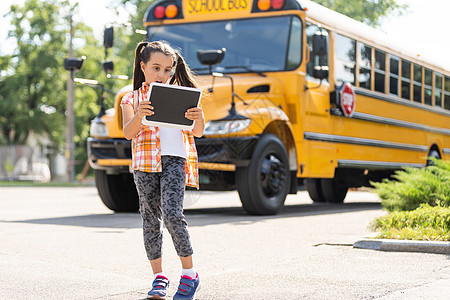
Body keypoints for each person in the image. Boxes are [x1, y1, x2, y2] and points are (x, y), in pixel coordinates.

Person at [121, 40, 204, 300]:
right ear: (143, 66)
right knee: (150, 219)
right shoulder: (130, 98)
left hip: (174, 160)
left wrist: (199, 118)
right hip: (144, 164)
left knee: (172, 214)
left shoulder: (182, 95)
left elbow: (198, 132)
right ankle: (159, 278)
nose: (162, 74)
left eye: (168, 69)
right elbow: (127, 133)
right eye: (156, 68)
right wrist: (138, 115)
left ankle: (190, 275)